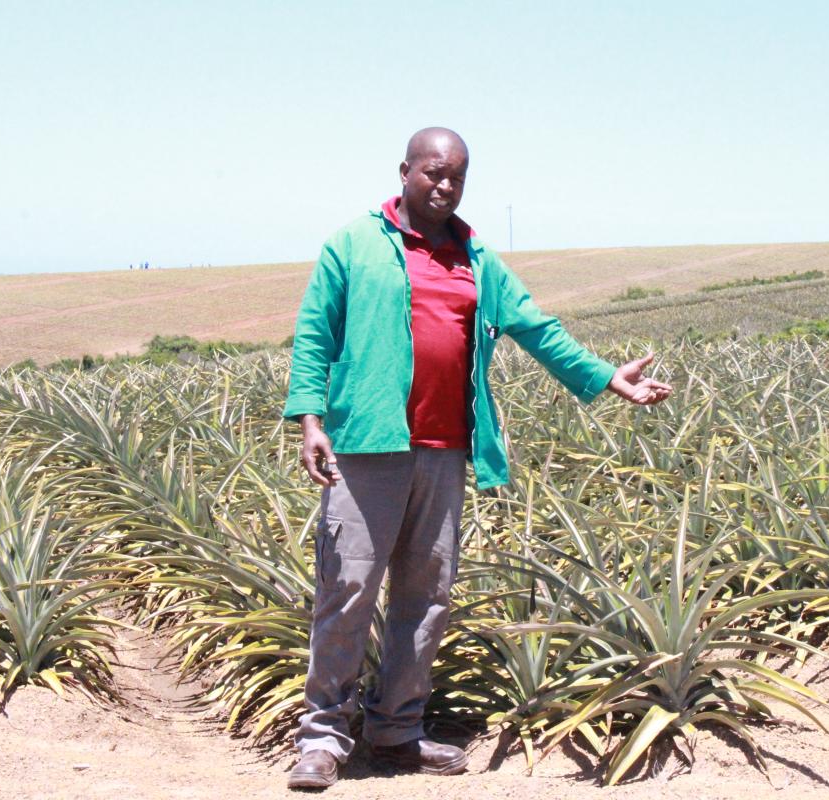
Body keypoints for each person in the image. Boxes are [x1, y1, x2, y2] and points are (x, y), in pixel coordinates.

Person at [282, 127, 671, 790]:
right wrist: (310, 422)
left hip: (445, 450)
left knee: (425, 598)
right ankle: (322, 738)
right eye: (434, 172)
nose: (445, 185)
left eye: (458, 177)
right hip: (365, 446)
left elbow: (536, 327)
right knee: (346, 590)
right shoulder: (353, 244)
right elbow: (315, 334)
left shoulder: (477, 258)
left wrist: (608, 377)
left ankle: (397, 731)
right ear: (405, 171)